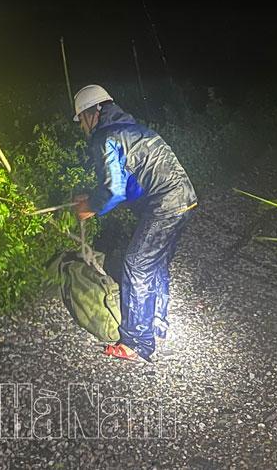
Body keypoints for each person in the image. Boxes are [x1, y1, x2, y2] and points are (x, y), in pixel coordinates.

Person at [72, 84, 197, 362]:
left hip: (165, 205)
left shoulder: (105, 136)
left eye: (81, 118)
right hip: (186, 199)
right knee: (155, 261)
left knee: (136, 263)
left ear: (94, 113)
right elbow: (128, 181)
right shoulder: (135, 129)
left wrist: (90, 207)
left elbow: (115, 190)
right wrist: (93, 197)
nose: (81, 126)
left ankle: (137, 342)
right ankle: (156, 322)